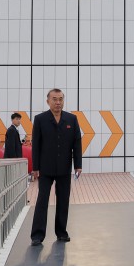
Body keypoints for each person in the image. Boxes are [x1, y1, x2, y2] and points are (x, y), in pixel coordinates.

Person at [30, 89, 83, 246]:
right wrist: (35, 167)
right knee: (42, 201)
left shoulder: (72, 119)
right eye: (54, 99)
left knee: (63, 201)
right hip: (45, 169)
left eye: (60, 99)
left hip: (64, 168)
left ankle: (61, 232)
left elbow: (77, 143)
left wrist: (78, 165)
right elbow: (36, 145)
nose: (58, 102)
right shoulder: (40, 119)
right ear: (48, 101)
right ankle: (37, 235)